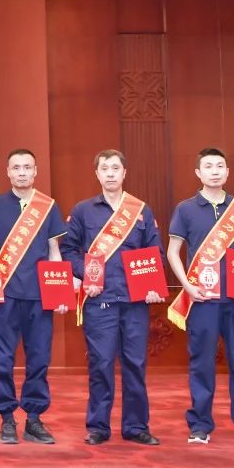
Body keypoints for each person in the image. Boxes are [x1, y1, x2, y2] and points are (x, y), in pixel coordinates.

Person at [166, 147, 234, 447]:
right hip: (203, 298)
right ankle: (200, 425)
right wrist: (186, 285)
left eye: (220, 166)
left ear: (227, 172)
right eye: (208, 166)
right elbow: (173, 252)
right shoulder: (186, 209)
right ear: (198, 173)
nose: (214, 171)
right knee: (202, 363)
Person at [60, 150, 163, 447]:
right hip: (99, 300)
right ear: (97, 174)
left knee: (135, 364)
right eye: (104, 168)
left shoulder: (141, 210)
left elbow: (154, 252)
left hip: (135, 301)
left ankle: (136, 426)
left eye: (115, 168)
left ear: (124, 173)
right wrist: (86, 275)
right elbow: (68, 250)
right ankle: (98, 427)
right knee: (101, 364)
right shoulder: (83, 210)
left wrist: (152, 284)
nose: (110, 173)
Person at [0, 149, 68, 445]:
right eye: (16, 167)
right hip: (5, 297)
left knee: (39, 360)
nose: (22, 172)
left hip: (39, 297)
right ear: (8, 172)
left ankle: (34, 419)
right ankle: (6, 418)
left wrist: (59, 291)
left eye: (27, 167)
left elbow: (54, 252)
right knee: (2, 360)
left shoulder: (48, 206)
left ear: (35, 171)